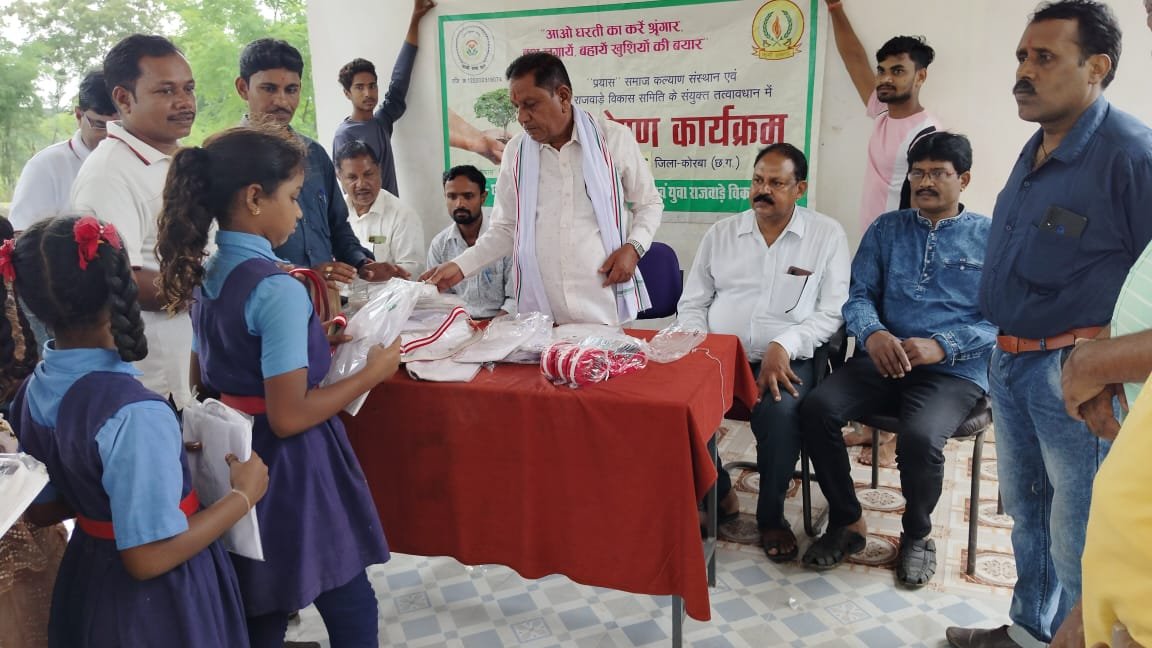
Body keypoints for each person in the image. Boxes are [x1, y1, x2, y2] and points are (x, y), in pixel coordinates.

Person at [948, 2, 1152, 646]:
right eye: (1021, 56)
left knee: (1082, 537)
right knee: (1028, 513)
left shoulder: (1131, 155)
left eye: (1044, 58)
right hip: (1008, 362)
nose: (1024, 72)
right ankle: (1029, 633)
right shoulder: (1037, 147)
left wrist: (1103, 365)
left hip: (1074, 377)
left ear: (1097, 67)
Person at [155, 126, 401, 648]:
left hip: (239, 456)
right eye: (292, 197)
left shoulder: (210, 272)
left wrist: (311, 343)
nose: (299, 213)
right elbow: (289, 416)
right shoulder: (276, 288)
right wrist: (371, 373)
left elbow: (206, 378)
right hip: (294, 465)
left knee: (263, 599)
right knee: (348, 599)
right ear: (254, 198)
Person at [11, 214, 268, 647]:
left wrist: (143, 472)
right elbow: (147, 557)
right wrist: (243, 495)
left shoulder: (33, 391)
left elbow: (43, 509)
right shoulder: (133, 413)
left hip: (88, 580)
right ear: (121, 288)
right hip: (157, 605)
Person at [798, 132, 994, 588]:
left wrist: (943, 344)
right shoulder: (886, 229)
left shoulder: (989, 237)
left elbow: (1001, 320)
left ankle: (918, 535)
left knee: (920, 438)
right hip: (883, 359)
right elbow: (858, 295)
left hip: (952, 371)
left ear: (963, 179)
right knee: (816, 408)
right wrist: (874, 332)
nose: (925, 182)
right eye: (918, 172)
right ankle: (847, 519)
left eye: (938, 173)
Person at [676, 143, 850, 562]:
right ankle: (720, 493)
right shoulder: (722, 234)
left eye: (776, 183)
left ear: (799, 189)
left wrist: (783, 345)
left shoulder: (826, 235)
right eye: (757, 180)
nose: (763, 190)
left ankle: (772, 516)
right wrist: (702, 345)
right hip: (720, 354)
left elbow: (832, 313)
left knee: (780, 413)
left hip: (792, 357)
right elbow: (693, 302)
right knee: (679, 405)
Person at [422, 52, 663, 326]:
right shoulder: (516, 152)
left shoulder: (612, 139)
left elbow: (649, 204)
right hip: (542, 312)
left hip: (604, 305)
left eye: (530, 104)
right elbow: (505, 228)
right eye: (517, 107)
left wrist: (633, 248)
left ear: (563, 96)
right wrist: (461, 266)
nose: (522, 117)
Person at [70, 34, 197, 409]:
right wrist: (215, 289)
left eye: (188, 88)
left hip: (188, 366)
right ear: (124, 99)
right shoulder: (109, 172)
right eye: (166, 91)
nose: (185, 102)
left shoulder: (177, 159)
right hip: (151, 381)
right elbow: (119, 278)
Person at [235, 38, 396, 288]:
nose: (282, 101)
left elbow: (338, 226)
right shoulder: (228, 159)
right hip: (265, 301)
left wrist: (361, 263)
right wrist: (303, 275)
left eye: (291, 90)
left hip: (323, 301)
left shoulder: (314, 155)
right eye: (269, 89)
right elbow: (229, 252)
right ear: (243, 88)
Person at [824, 0, 940, 231]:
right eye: (882, 70)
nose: (886, 78)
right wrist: (835, 7)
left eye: (897, 71)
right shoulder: (882, 110)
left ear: (920, 76)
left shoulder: (927, 134)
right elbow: (854, 59)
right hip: (872, 238)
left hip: (899, 243)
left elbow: (929, 205)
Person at [332, 0, 436, 196]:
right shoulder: (344, 135)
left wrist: (415, 19)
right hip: (367, 214)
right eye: (359, 88)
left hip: (392, 211)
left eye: (372, 86)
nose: (368, 93)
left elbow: (399, 80)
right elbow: (349, 186)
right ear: (347, 93)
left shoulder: (381, 122)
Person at [9, 70, 118, 232]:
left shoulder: (141, 161)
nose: (110, 134)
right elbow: (23, 235)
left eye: (119, 125)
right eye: (100, 125)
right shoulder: (46, 166)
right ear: (79, 115)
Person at [427, 165, 515, 319]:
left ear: (483, 197)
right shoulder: (440, 245)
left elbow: (515, 300)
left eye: (468, 196)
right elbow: (439, 300)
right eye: (452, 196)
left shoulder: (504, 240)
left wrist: (491, 328)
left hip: (502, 324)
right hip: (458, 325)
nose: (459, 204)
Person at [334, 140, 423, 279]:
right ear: (339, 177)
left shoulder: (402, 215)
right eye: (352, 177)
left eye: (368, 174)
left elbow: (414, 271)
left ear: (379, 170)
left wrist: (388, 274)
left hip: (386, 293)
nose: (361, 184)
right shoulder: (334, 213)